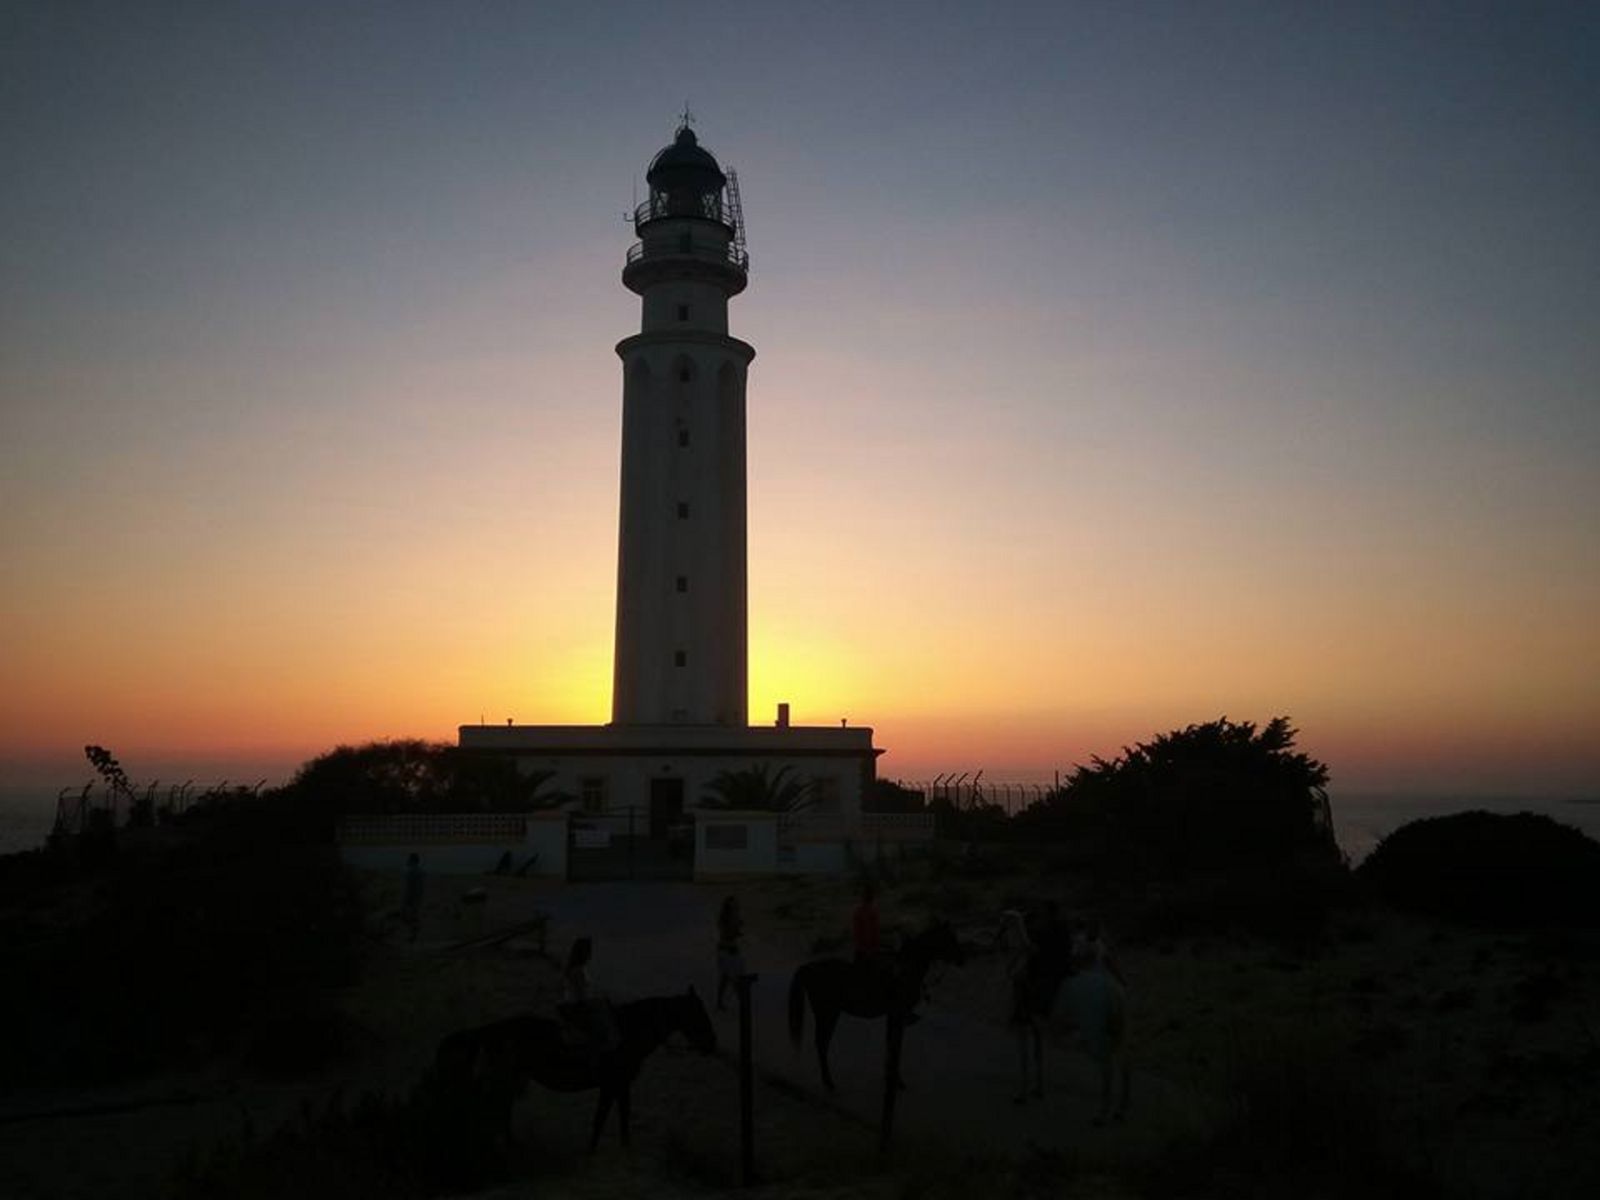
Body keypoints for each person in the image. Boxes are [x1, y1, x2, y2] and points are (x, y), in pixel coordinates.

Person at [559, 936, 618, 1054]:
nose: (590, 953)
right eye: (588, 950)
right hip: (576, 1004)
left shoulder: (579, 969)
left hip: (576, 1002)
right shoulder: (578, 970)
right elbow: (580, 993)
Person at [716, 895, 745, 1011]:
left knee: (726, 977)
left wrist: (737, 929)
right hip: (727, 951)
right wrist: (736, 929)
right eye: (734, 905)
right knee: (734, 977)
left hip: (727, 949)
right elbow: (727, 935)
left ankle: (720, 1002)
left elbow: (730, 934)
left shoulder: (732, 917)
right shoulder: (727, 919)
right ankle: (742, 1002)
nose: (736, 907)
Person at [401, 853, 425, 943]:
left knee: (411, 917)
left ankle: (413, 935)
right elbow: (420, 887)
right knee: (413, 916)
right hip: (415, 897)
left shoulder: (410, 871)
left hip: (411, 897)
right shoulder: (419, 871)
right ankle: (413, 933)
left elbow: (408, 888)